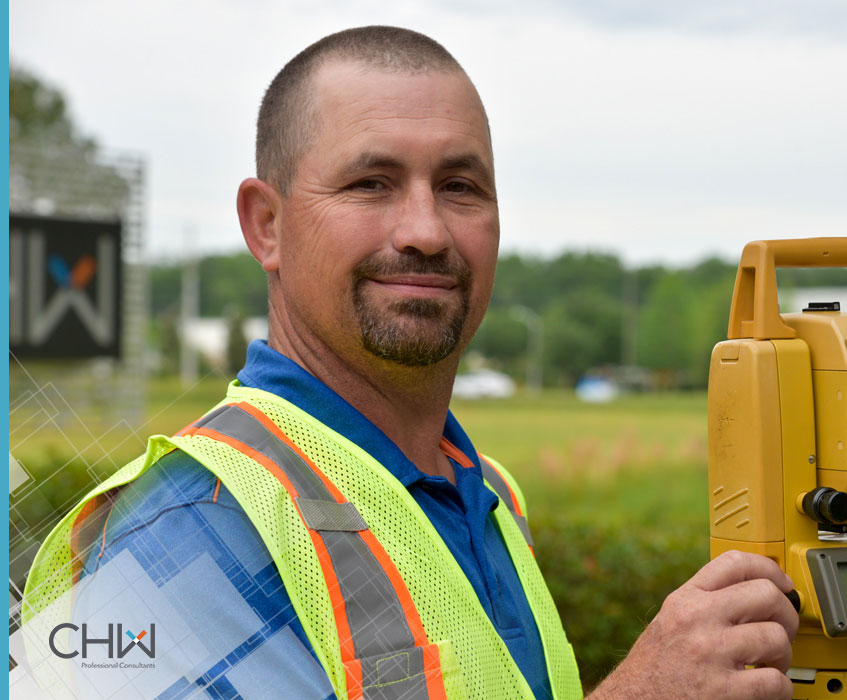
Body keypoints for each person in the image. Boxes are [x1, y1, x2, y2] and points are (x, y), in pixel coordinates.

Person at [23, 26, 798, 700]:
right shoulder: (196, 520)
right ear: (266, 225)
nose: (426, 229)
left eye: (460, 187)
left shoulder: (485, 495)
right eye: (372, 183)